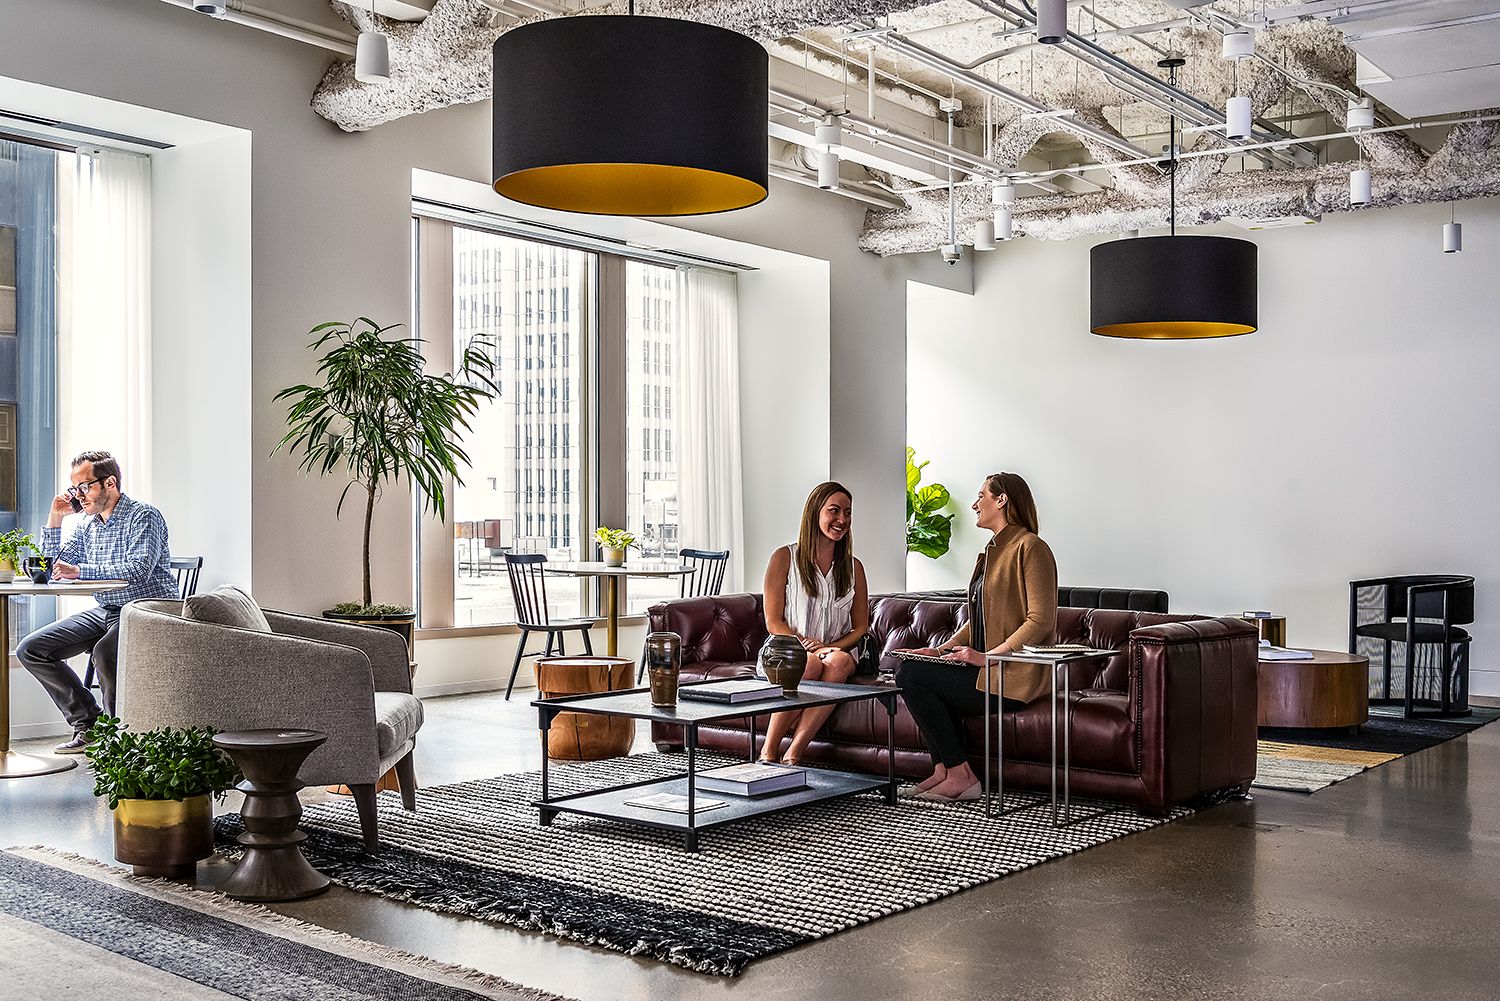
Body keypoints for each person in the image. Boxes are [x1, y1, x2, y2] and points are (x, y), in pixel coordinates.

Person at [896, 471, 1057, 802]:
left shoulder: (1032, 548)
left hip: (1012, 676)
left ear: (1002, 500)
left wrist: (989, 657)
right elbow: (978, 622)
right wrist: (939, 651)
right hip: (987, 671)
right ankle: (943, 771)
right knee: (912, 669)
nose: (974, 504)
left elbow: (1040, 620)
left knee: (912, 676)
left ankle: (961, 776)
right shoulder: (991, 552)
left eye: (981, 496)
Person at [17, 450, 178, 753]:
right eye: (74, 489)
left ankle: (121, 739)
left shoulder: (144, 516)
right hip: (108, 608)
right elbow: (53, 565)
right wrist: (55, 518)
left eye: (84, 487)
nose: (79, 496)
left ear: (110, 483)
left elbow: (139, 568)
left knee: (106, 652)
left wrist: (80, 571)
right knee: (32, 649)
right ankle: (90, 725)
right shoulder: (87, 525)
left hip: (147, 609)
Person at [758, 481, 869, 766]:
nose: (842, 520)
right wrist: (804, 646)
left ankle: (794, 752)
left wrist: (827, 648)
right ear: (815, 513)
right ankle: (768, 752)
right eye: (834, 511)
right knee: (807, 663)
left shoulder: (854, 567)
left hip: (834, 651)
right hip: (786, 650)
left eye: (847, 512)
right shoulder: (784, 557)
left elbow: (860, 628)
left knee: (840, 662)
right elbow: (774, 621)